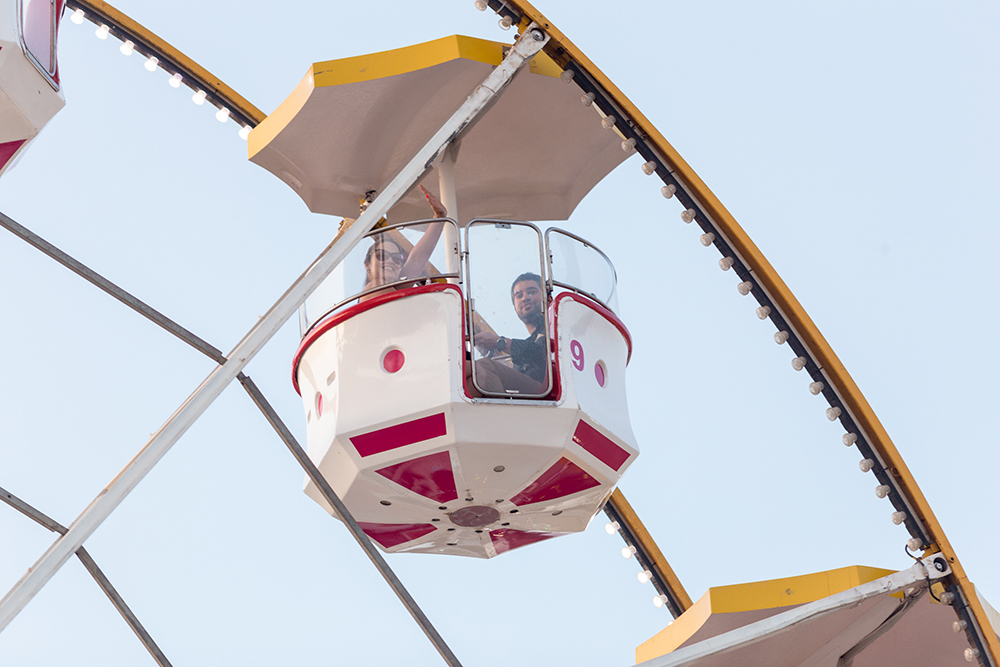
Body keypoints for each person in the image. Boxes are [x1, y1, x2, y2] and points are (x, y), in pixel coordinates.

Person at [360, 185, 447, 302]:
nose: (390, 261)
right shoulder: (375, 287)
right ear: (367, 264)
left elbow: (416, 260)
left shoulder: (394, 291)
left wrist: (440, 217)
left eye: (397, 259)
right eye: (382, 255)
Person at [472, 272, 549, 395]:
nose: (525, 298)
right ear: (515, 308)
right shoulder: (530, 343)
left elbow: (542, 354)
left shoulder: (558, 328)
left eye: (532, 292)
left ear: (548, 298)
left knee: (485, 368)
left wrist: (499, 342)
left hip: (549, 393)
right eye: (519, 295)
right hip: (532, 399)